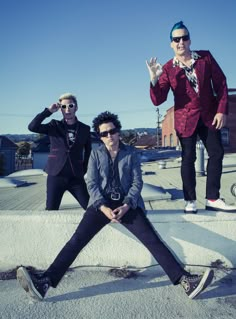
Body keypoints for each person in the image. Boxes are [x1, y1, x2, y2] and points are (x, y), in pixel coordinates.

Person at [17, 111, 214, 301]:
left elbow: (137, 183)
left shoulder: (131, 153)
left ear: (118, 132)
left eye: (112, 131)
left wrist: (127, 205)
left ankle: (185, 281)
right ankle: (45, 282)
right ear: (100, 136)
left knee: (152, 240)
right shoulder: (95, 154)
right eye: (104, 133)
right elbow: (91, 184)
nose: (109, 136)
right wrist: (103, 208)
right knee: (76, 241)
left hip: (127, 204)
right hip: (100, 205)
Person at [146, 21, 236, 214]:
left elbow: (221, 84)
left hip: (209, 115)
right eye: (176, 39)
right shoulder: (168, 68)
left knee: (217, 153)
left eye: (184, 38)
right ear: (171, 43)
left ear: (189, 40)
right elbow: (158, 100)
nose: (181, 42)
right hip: (185, 119)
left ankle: (212, 198)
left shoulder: (205, 57)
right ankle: (190, 201)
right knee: (188, 157)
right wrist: (154, 79)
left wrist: (222, 110)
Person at [28, 93, 91, 210]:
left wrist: (83, 170)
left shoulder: (85, 129)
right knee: (51, 210)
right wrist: (48, 111)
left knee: (90, 208)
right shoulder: (54, 125)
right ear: (60, 109)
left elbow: (88, 152)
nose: (67, 109)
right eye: (63, 107)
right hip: (55, 175)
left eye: (71, 106)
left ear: (76, 107)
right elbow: (32, 127)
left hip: (76, 178)